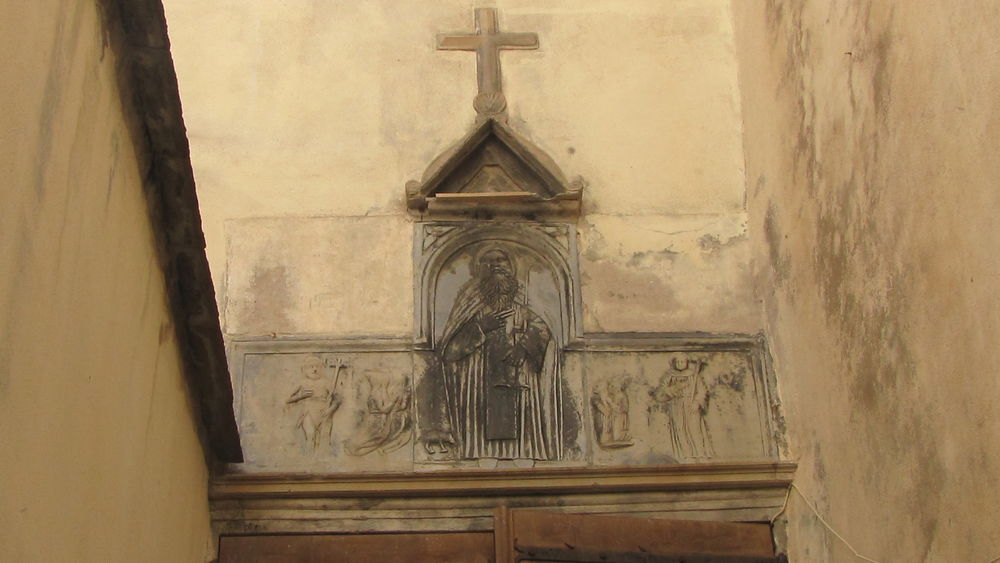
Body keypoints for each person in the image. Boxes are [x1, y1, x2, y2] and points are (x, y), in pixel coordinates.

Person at [436, 246, 562, 461]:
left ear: (511, 266)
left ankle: (525, 454)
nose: (495, 265)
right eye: (489, 261)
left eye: (501, 260)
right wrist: (480, 327)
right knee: (481, 415)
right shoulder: (469, 303)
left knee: (522, 412)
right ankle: (480, 454)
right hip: (479, 379)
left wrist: (524, 347)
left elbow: (544, 328)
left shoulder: (527, 301)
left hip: (520, 376)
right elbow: (450, 351)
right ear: (479, 269)